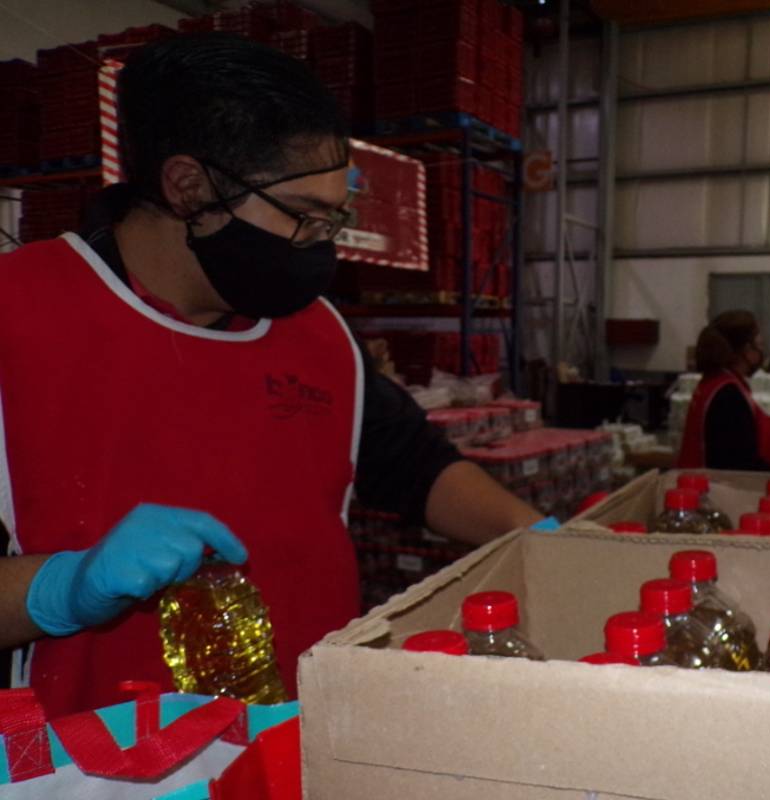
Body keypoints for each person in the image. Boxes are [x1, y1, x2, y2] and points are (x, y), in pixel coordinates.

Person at [0, 34, 543, 717]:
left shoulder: (317, 331)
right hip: (92, 757)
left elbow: (414, 465)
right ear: (189, 187)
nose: (323, 244)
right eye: (304, 216)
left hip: (301, 736)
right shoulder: (20, 313)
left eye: (334, 217)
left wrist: (542, 536)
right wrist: (64, 586)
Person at [677, 311, 770, 472]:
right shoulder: (728, 395)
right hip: (712, 483)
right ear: (747, 350)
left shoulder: (716, 381)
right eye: (760, 344)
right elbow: (739, 463)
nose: (762, 352)